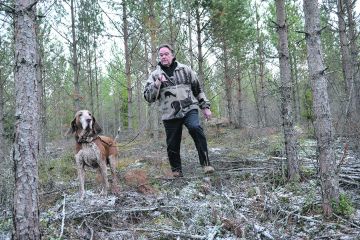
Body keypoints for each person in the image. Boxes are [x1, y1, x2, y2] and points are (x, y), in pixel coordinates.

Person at [144, 43, 215, 177]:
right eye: (161, 55)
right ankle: (176, 171)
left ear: (172, 55)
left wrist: (205, 107)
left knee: (195, 127)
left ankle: (206, 164)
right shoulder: (155, 75)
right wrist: (157, 83)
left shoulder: (185, 70)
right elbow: (148, 97)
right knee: (172, 143)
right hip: (169, 113)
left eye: (166, 54)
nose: (164, 57)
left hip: (189, 108)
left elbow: (198, 90)